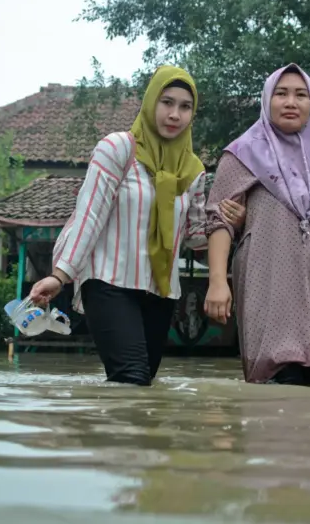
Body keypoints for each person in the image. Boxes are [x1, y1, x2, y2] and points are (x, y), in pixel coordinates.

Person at [29, 65, 246, 386]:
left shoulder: (194, 170)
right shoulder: (117, 149)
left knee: (143, 382)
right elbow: (90, 214)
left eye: (185, 107)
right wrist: (60, 276)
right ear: (150, 103)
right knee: (131, 377)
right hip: (108, 282)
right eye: (167, 102)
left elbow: (195, 236)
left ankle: (102, 432)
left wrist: (232, 221)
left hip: (160, 291)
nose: (175, 114)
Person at [204, 63, 310, 386]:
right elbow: (218, 218)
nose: (291, 102)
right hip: (273, 290)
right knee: (280, 381)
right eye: (282, 93)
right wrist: (218, 282)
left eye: (301, 95)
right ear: (267, 100)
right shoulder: (243, 153)